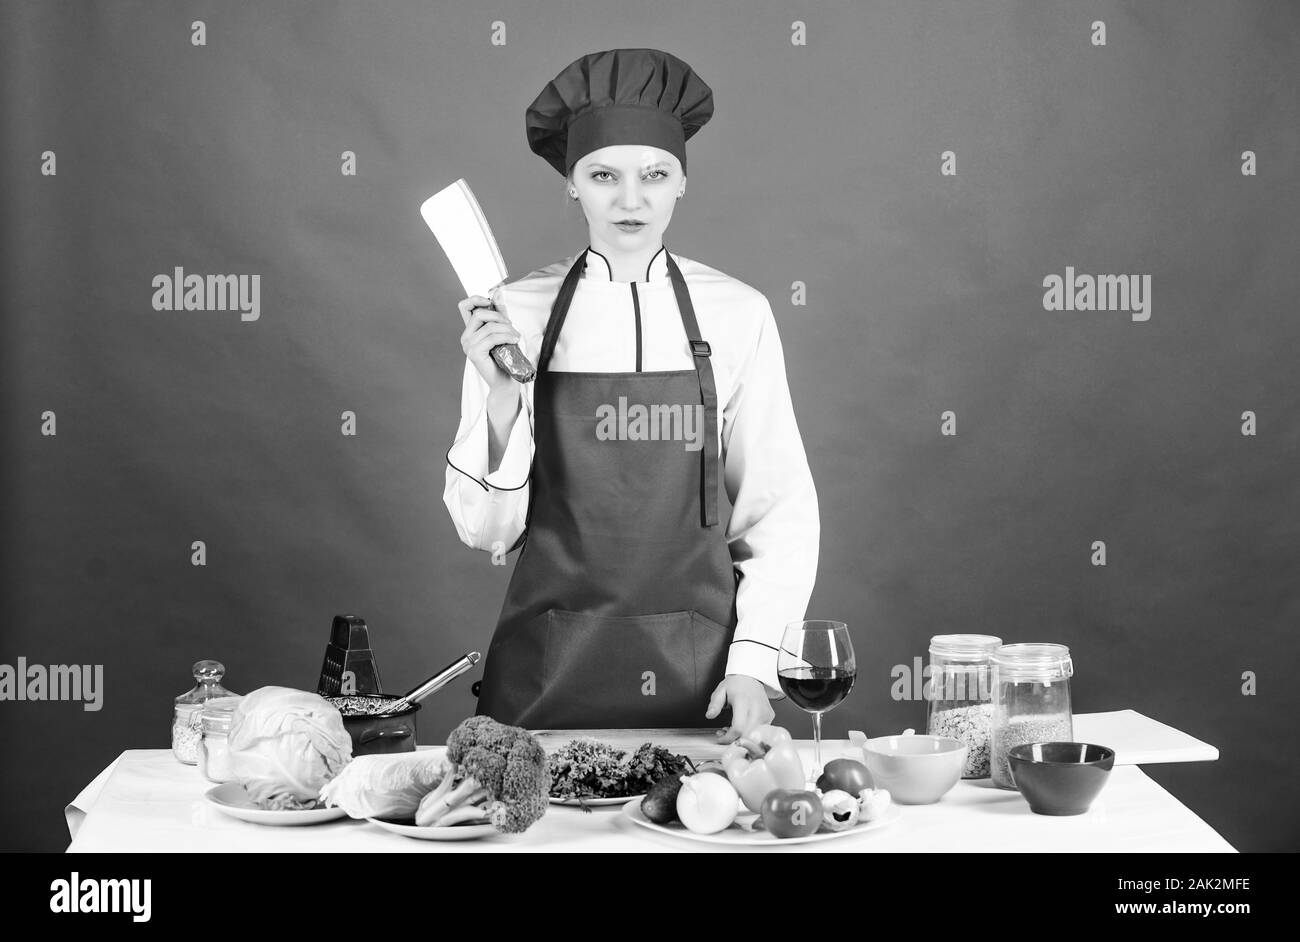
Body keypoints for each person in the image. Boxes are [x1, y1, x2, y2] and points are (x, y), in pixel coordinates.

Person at [443, 48, 819, 743]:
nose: (630, 200)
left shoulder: (739, 313)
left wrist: (757, 661)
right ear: (571, 186)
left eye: (654, 175)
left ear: (683, 181)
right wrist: (500, 399)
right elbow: (486, 532)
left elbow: (781, 508)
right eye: (603, 175)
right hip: (541, 681)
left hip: (704, 681)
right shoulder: (513, 315)